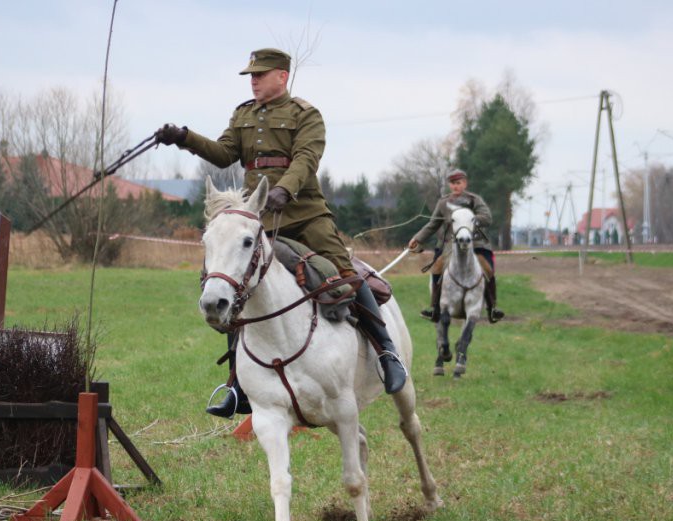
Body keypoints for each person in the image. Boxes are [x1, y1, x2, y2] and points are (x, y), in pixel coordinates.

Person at [155, 47, 407, 418]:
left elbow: (306, 159)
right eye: (251, 75)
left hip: (304, 215)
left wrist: (284, 189)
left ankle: (387, 352)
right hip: (260, 221)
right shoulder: (243, 114)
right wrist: (183, 137)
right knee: (238, 286)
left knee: (347, 273)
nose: (253, 80)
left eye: (260, 74)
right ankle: (238, 384)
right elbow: (225, 153)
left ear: (282, 76)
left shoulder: (307, 115)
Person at [407, 169, 505, 323]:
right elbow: (432, 225)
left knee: (488, 269)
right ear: (449, 185)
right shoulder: (443, 203)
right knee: (437, 267)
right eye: (452, 183)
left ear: (464, 183)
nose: (455, 186)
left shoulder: (474, 200)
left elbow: (487, 218)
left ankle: (492, 308)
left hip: (476, 244)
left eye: (458, 183)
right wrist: (417, 239)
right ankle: (434, 308)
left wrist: (470, 219)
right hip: (449, 246)